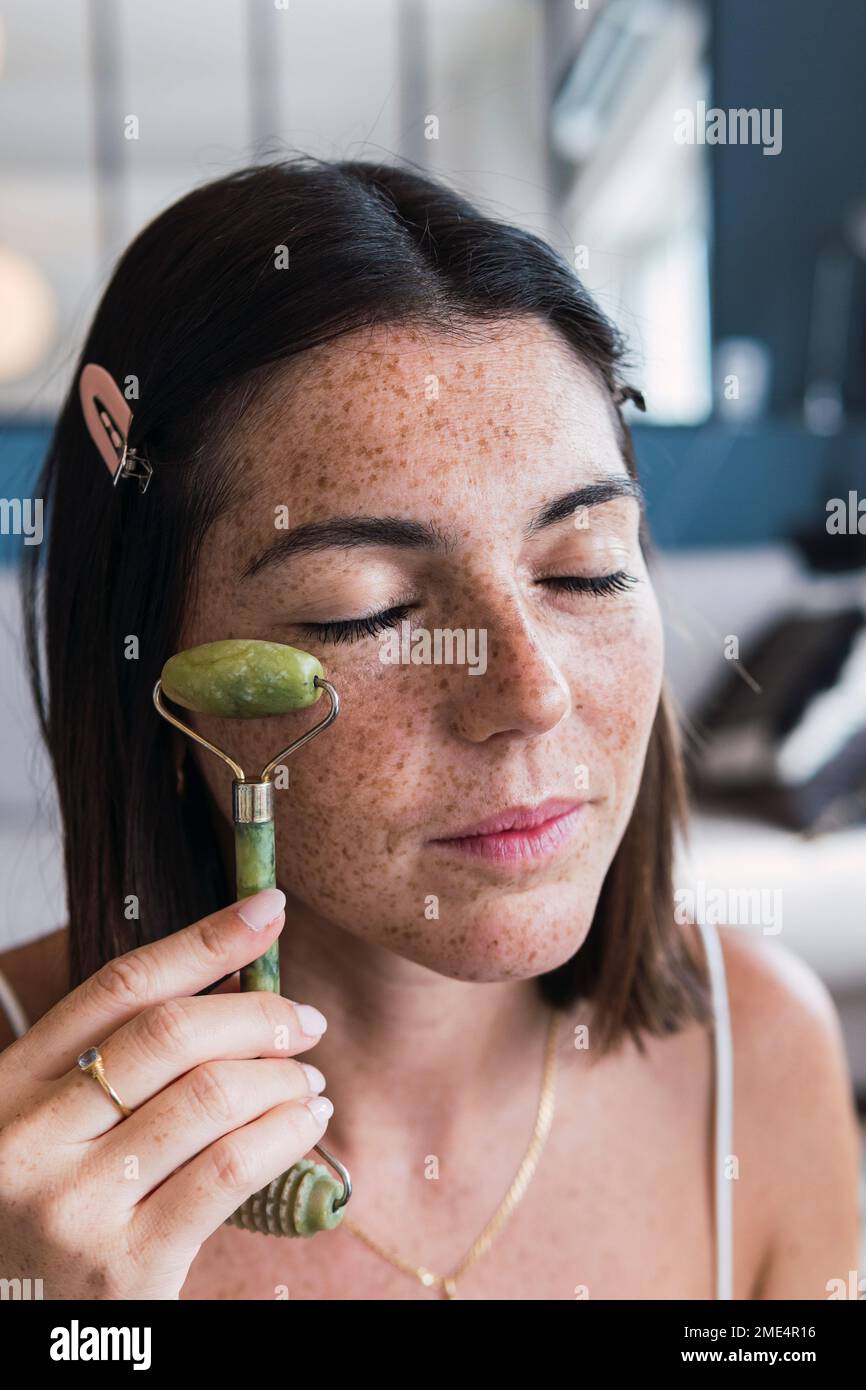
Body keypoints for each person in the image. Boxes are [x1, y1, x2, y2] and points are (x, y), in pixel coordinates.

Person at [0, 157, 860, 1300]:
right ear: (156, 677)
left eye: (587, 570)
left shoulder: (760, 1059)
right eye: (369, 608)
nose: (528, 691)